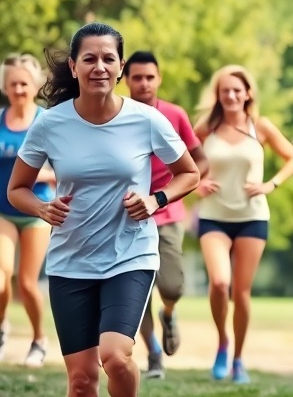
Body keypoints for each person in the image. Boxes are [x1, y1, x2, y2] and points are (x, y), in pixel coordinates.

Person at [8, 22, 200, 397]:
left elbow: (189, 173)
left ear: (120, 67)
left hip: (130, 255)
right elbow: (17, 189)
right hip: (70, 261)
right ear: (75, 67)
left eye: (108, 59)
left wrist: (155, 199)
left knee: (115, 355)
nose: (99, 67)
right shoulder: (50, 124)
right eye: (90, 59)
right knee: (81, 382)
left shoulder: (146, 119)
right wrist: (43, 208)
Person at [194, 64, 293, 383]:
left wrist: (271, 184)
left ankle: (239, 359)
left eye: (236, 90)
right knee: (218, 283)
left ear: (248, 93)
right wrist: (197, 183)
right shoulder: (206, 127)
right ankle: (222, 343)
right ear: (217, 95)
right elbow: (182, 159)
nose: (230, 95)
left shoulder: (261, 126)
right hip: (214, 216)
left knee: (241, 293)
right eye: (224, 90)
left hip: (252, 217)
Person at [123, 51, 208, 379]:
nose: (144, 83)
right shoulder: (117, 116)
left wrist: (177, 189)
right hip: (127, 215)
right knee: (134, 290)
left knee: (171, 285)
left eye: (149, 77)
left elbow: (200, 162)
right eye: (137, 78)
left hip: (167, 210)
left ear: (158, 79)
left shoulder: (174, 114)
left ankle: (169, 313)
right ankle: (153, 353)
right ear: (126, 80)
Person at [0, 53, 54, 368]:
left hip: (38, 210)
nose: (19, 89)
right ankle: (2, 326)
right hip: (3, 210)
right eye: (13, 84)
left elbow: (67, 167)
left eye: (24, 83)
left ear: (34, 86)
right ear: (6, 87)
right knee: (1, 277)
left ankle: (38, 340)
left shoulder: (46, 120)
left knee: (28, 283)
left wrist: (42, 174)